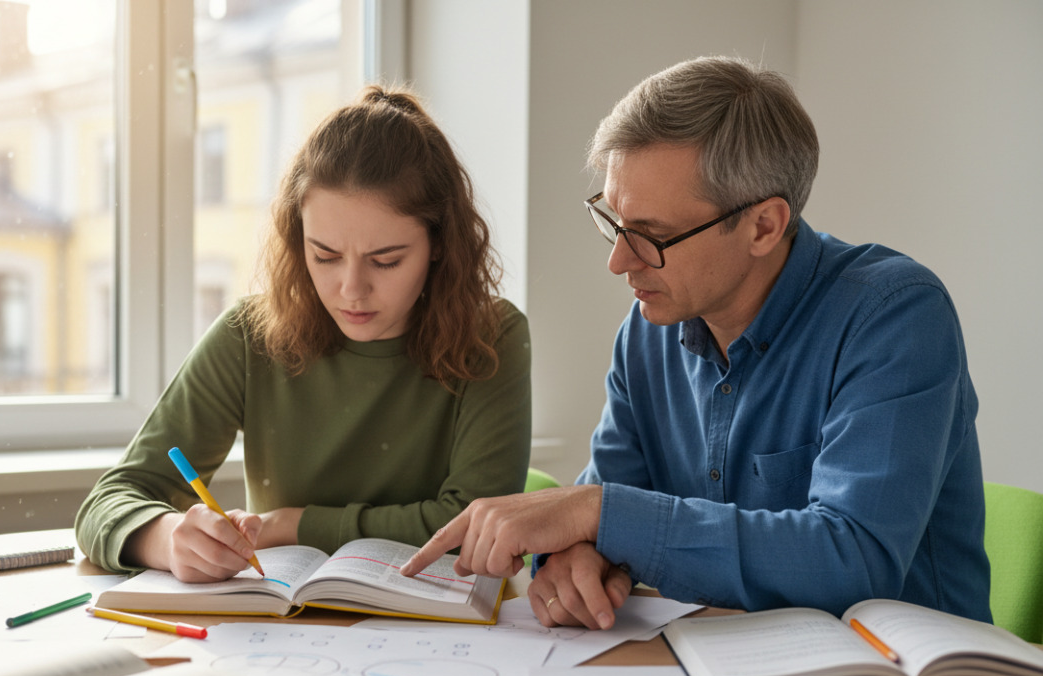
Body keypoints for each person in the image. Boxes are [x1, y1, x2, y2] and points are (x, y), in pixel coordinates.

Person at [402, 56, 990, 630]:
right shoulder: (647, 330)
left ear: (764, 225)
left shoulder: (895, 315)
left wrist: (598, 515)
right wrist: (577, 560)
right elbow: (600, 514)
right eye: (615, 223)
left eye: (652, 236)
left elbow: (855, 559)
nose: (618, 261)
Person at [77, 86, 531, 582]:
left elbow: (473, 526)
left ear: (440, 243)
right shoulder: (249, 335)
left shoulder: (493, 336)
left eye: (387, 260)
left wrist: (294, 525)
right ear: (299, 241)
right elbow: (107, 503)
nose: (351, 289)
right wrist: (166, 538)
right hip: (284, 636)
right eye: (325, 255)